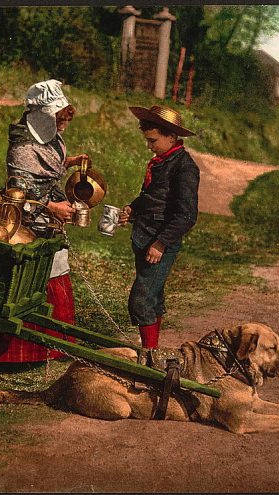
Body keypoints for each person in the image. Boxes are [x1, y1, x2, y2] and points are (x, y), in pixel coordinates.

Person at [0, 79, 89, 362]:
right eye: (57, 119)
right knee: (33, 270)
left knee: (55, 264)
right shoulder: (23, 147)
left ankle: (54, 346)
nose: (61, 125)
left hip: (47, 215)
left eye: (63, 120)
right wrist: (52, 207)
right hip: (26, 218)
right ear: (41, 115)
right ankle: (20, 353)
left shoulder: (46, 136)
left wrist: (70, 162)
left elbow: (48, 167)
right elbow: (22, 192)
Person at [118, 104, 199, 366]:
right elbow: (152, 197)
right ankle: (153, 352)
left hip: (159, 243)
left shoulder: (184, 168)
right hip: (145, 237)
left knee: (141, 300)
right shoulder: (162, 162)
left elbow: (186, 215)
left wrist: (161, 243)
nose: (149, 146)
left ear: (172, 137)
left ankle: (149, 359)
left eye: (153, 141)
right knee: (153, 297)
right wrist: (133, 208)